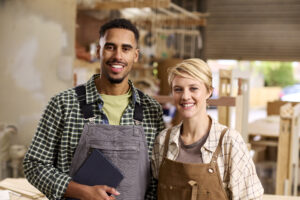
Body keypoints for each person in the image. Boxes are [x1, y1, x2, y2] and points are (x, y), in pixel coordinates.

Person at [23, 18, 164, 200]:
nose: (118, 56)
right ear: (99, 51)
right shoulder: (63, 104)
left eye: (126, 49)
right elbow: (34, 164)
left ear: (135, 55)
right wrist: (82, 192)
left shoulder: (151, 110)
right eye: (110, 47)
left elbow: (156, 179)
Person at [151, 58, 264, 200]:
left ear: (209, 91)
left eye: (193, 88)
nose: (185, 96)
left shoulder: (229, 142)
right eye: (178, 89)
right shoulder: (163, 141)